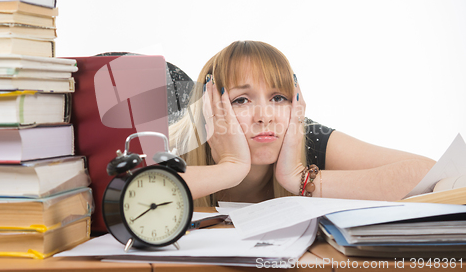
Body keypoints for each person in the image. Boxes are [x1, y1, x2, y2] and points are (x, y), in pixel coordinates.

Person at [169, 40, 435, 207]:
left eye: (278, 97)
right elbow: (127, 196)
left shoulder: (304, 134)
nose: (265, 116)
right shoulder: (177, 142)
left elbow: (429, 174)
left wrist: (300, 178)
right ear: (209, 109)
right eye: (241, 100)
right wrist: (231, 168)